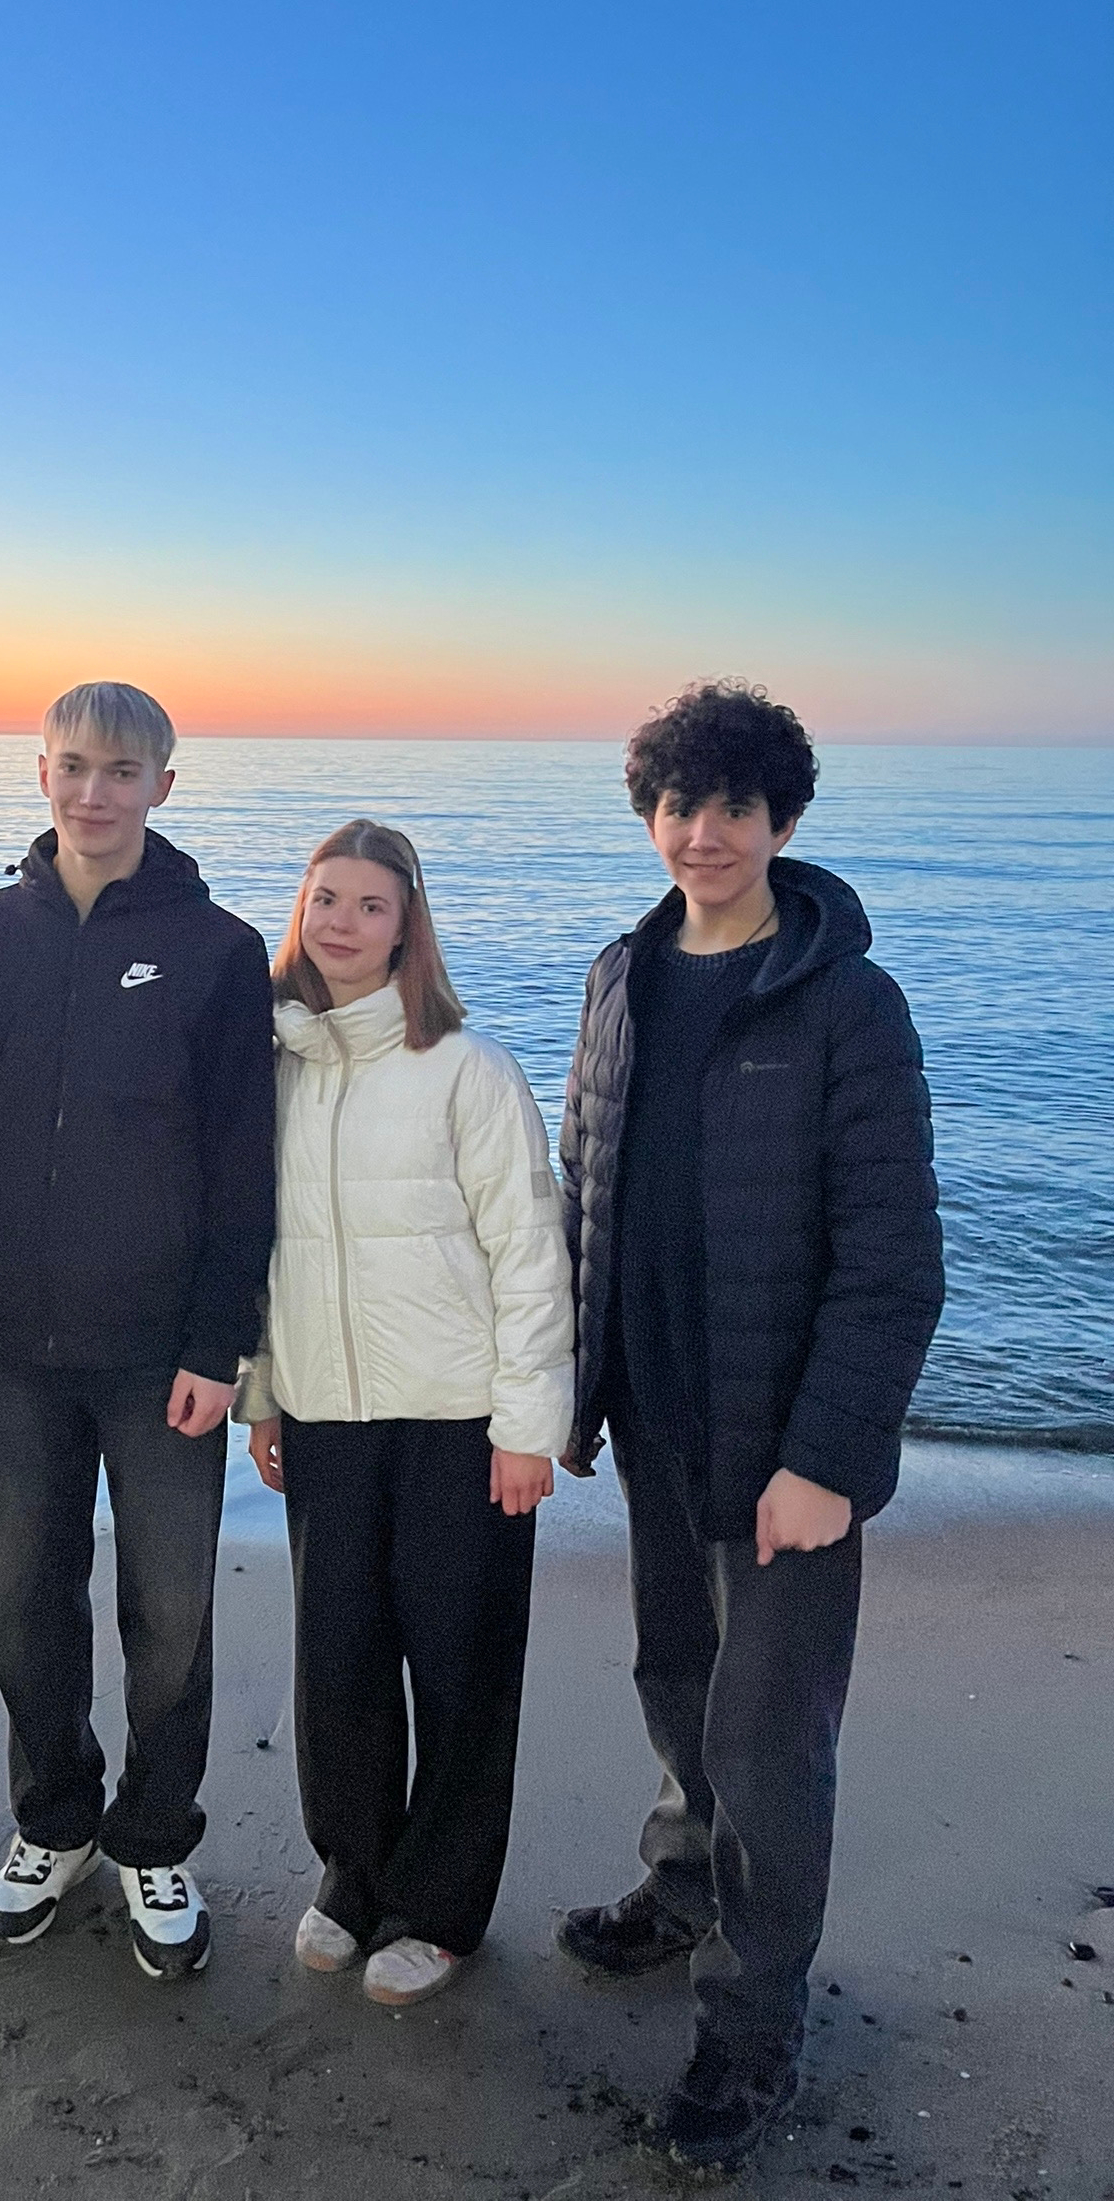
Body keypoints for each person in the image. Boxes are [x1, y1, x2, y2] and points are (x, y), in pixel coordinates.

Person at [555, 681, 943, 2174]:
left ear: (782, 820)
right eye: (678, 804)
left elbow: (893, 1257)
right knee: (677, 1675)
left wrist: (827, 1462)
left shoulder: (845, 1000)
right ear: (649, 815)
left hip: (782, 1445)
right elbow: (583, 1183)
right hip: (652, 1413)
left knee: (769, 1735)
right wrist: (569, 1391)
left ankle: (756, 2016)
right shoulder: (621, 974)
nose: (702, 832)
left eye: (733, 807)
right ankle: (681, 1887)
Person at [0, 682, 276, 1979]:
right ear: (41, 773)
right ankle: (57, 1818)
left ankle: (154, 1836)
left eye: (122, 771)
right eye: (74, 766)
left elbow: (243, 1162)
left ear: (162, 786)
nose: (94, 791)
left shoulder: (218, 949)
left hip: (160, 1354)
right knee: (18, 1602)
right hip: (14, 1344)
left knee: (169, 1614)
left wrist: (217, 1344)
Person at [237, 820, 573, 2007]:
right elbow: (259, 1252)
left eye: (370, 904)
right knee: (339, 1662)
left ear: (406, 928)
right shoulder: (274, 1068)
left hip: (458, 1423)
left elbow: (532, 1254)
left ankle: (440, 1906)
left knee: (461, 1668)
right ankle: (353, 1874)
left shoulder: (468, 1070)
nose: (342, 922)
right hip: (325, 1415)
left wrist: (528, 1426)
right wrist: (266, 1392)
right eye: (325, 898)